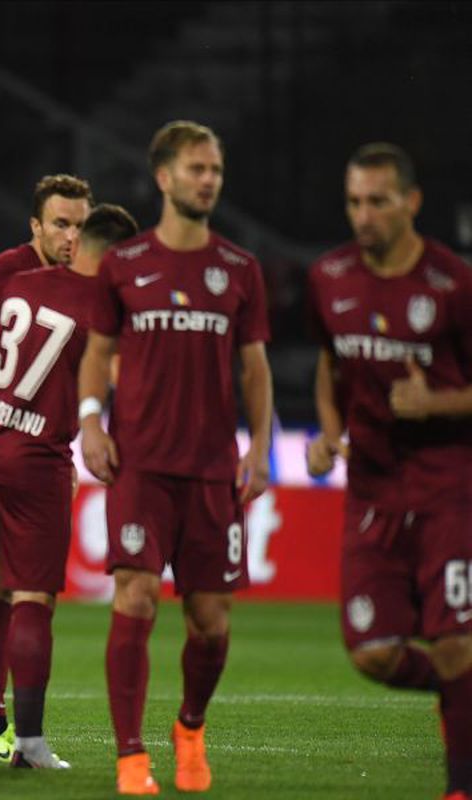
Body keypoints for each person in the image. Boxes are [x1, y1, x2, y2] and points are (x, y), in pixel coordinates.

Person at [78, 120, 273, 795]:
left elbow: (254, 367)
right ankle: (132, 756)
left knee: (210, 621)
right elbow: (98, 354)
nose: (208, 179)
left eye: (214, 168)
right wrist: (90, 423)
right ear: (164, 177)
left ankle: (189, 726)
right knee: (134, 597)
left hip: (213, 469)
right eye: (196, 168)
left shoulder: (240, 270)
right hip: (141, 466)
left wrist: (262, 448)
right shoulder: (125, 265)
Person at [0, 202, 140, 770]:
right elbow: (124, 385)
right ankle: (29, 742)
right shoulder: (105, 310)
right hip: (37, 464)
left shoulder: (19, 283)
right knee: (30, 598)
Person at [306, 143, 472, 800]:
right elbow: (329, 362)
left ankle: (460, 787)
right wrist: (327, 430)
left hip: (448, 489)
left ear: (411, 202)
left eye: (377, 201)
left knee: (457, 643)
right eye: (354, 202)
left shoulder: (453, 285)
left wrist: (437, 403)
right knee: (372, 652)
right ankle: (462, 696)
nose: (363, 215)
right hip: (371, 491)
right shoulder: (329, 276)